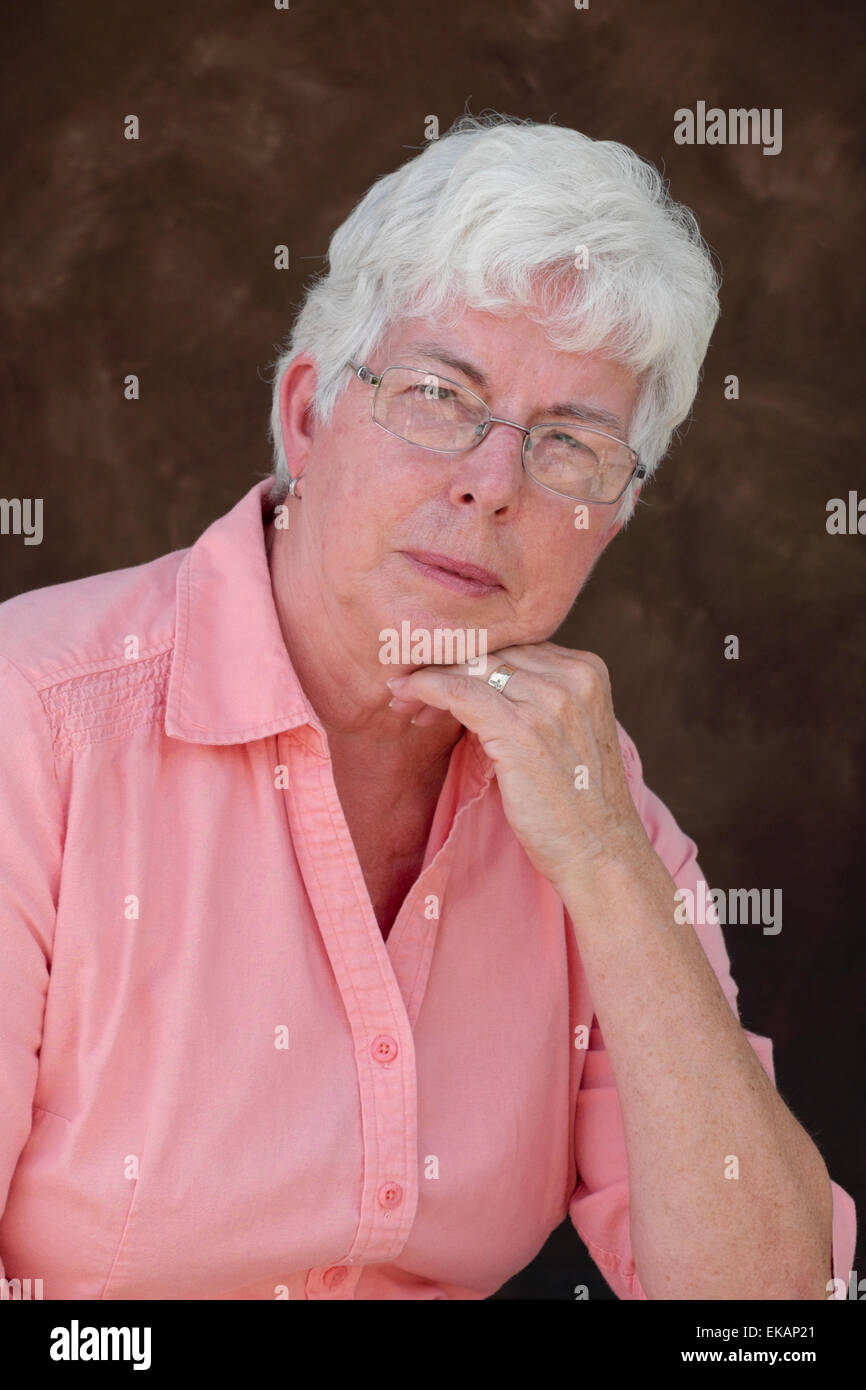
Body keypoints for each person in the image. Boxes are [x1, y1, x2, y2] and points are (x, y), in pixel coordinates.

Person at [0, 112, 855, 1301]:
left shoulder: (590, 793)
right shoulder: (32, 726)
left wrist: (608, 864)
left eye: (569, 445)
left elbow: (764, 1312)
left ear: (609, 517)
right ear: (306, 415)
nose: (491, 482)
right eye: (438, 394)